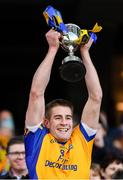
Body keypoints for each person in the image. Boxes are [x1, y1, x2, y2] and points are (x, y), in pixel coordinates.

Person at [24, 29, 102, 179]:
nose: (65, 122)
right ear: (46, 122)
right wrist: (52, 49)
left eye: (68, 117)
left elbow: (96, 97)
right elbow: (36, 94)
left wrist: (85, 52)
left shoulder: (82, 139)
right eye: (58, 117)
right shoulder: (37, 138)